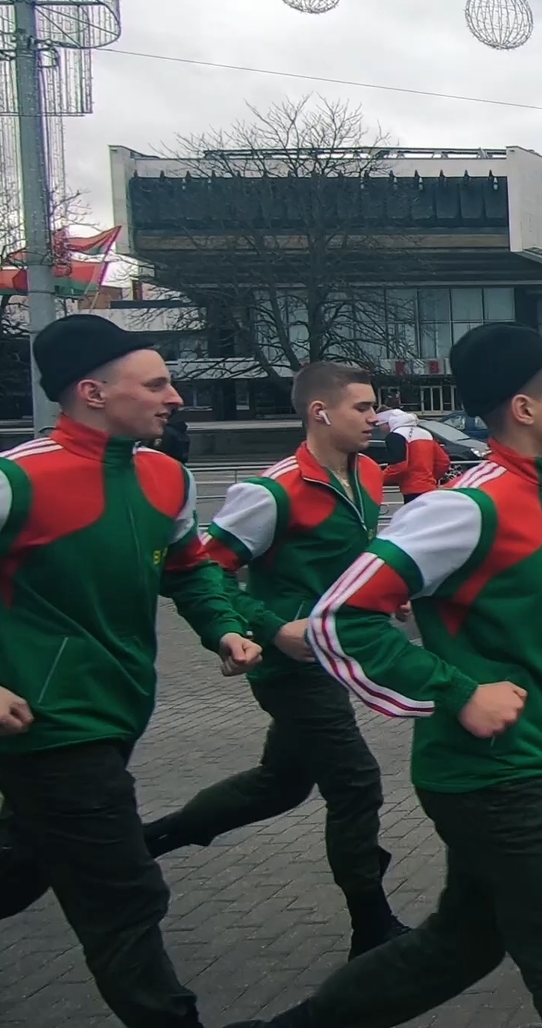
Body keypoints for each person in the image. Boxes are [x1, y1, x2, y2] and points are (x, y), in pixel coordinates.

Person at [239, 323, 542, 1027]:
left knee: (462, 943)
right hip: (483, 773)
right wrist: (457, 692)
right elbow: (337, 620)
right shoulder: (462, 506)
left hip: (526, 754)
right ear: (525, 408)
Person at [0, 315, 260, 1027]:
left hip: (117, 712)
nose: (173, 396)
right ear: (91, 391)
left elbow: (190, 571)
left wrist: (224, 630)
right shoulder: (14, 481)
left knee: (21, 864)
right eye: (156, 384)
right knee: (125, 893)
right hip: (50, 724)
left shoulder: (164, 477)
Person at [142, 362, 411, 960]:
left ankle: (149, 840)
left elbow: (352, 559)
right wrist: (264, 627)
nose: (376, 418)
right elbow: (205, 571)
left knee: (281, 784)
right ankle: (371, 926)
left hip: (336, 652)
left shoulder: (366, 472)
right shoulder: (272, 491)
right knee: (356, 783)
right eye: (363, 408)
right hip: (289, 664)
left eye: (375, 407)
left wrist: (382, 597)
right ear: (321, 412)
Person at [378, 406, 450, 502]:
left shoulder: (395, 436)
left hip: (411, 489)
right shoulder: (426, 433)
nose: (379, 428)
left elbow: (398, 466)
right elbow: (443, 462)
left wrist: (379, 479)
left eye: (379, 424)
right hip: (429, 487)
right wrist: (430, 478)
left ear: (387, 422)